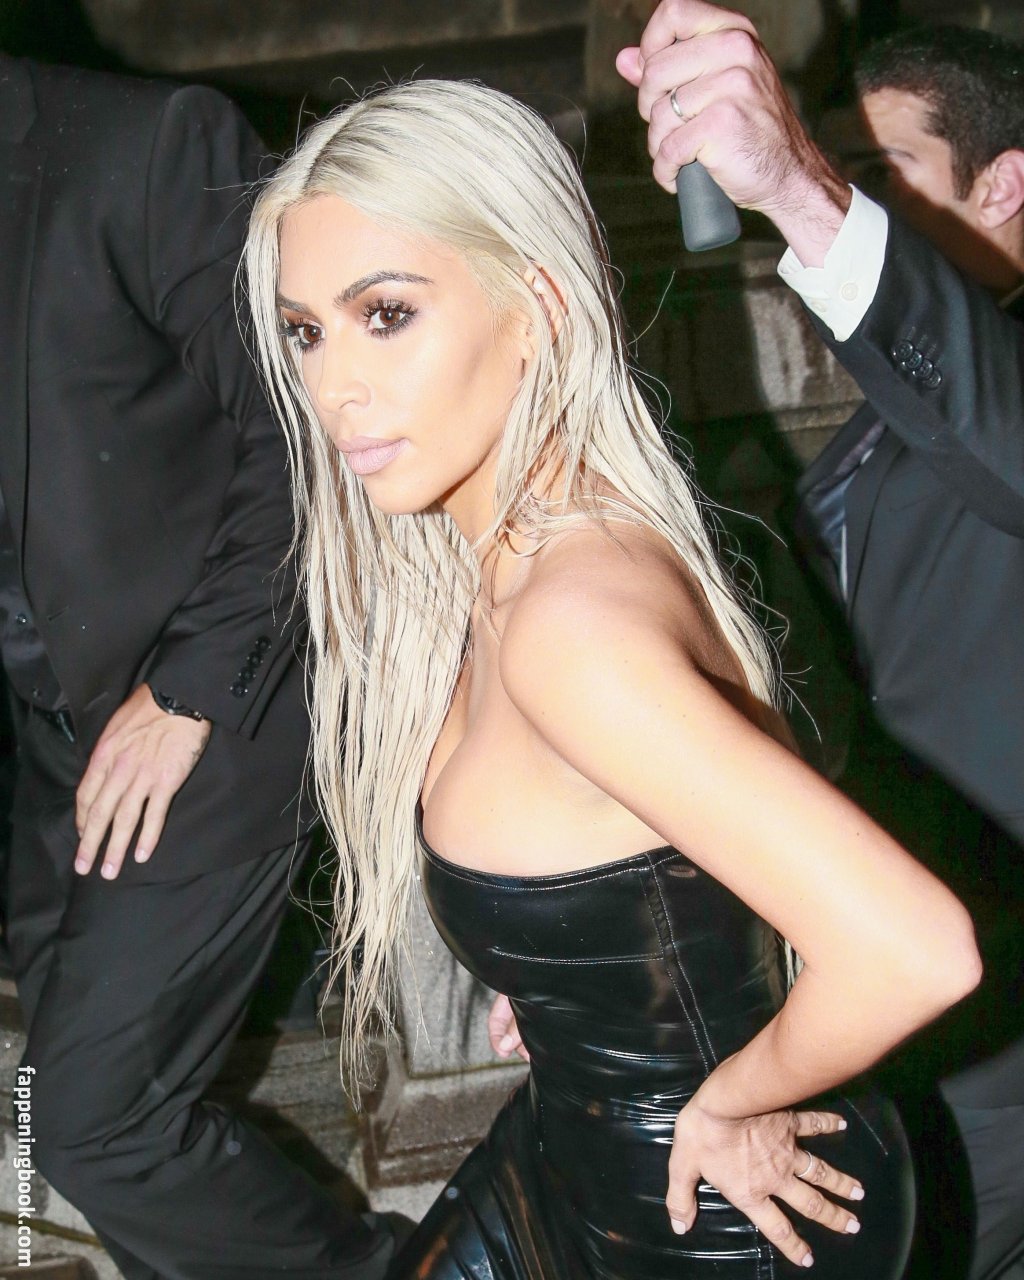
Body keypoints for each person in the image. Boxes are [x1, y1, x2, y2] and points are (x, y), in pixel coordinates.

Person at [243, 75, 981, 1278]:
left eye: (385, 313)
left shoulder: (567, 626)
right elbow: (669, 856)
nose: (334, 388)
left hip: (715, 1209)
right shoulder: (505, 552)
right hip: (576, 1134)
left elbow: (914, 946)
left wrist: (731, 1099)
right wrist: (573, 972)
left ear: (534, 308)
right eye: (305, 331)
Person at [618, 8, 1024, 1277]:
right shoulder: (895, 410)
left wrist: (799, 188)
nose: (861, 198)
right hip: (888, 989)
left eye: (881, 170)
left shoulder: (988, 380)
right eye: (843, 168)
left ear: (1005, 182)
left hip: (992, 1013)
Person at [0, 53, 398, 1279]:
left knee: (92, 1119)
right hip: (45, 731)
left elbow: (312, 435)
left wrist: (185, 693)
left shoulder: (149, 147)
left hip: (216, 696)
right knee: (52, 1108)